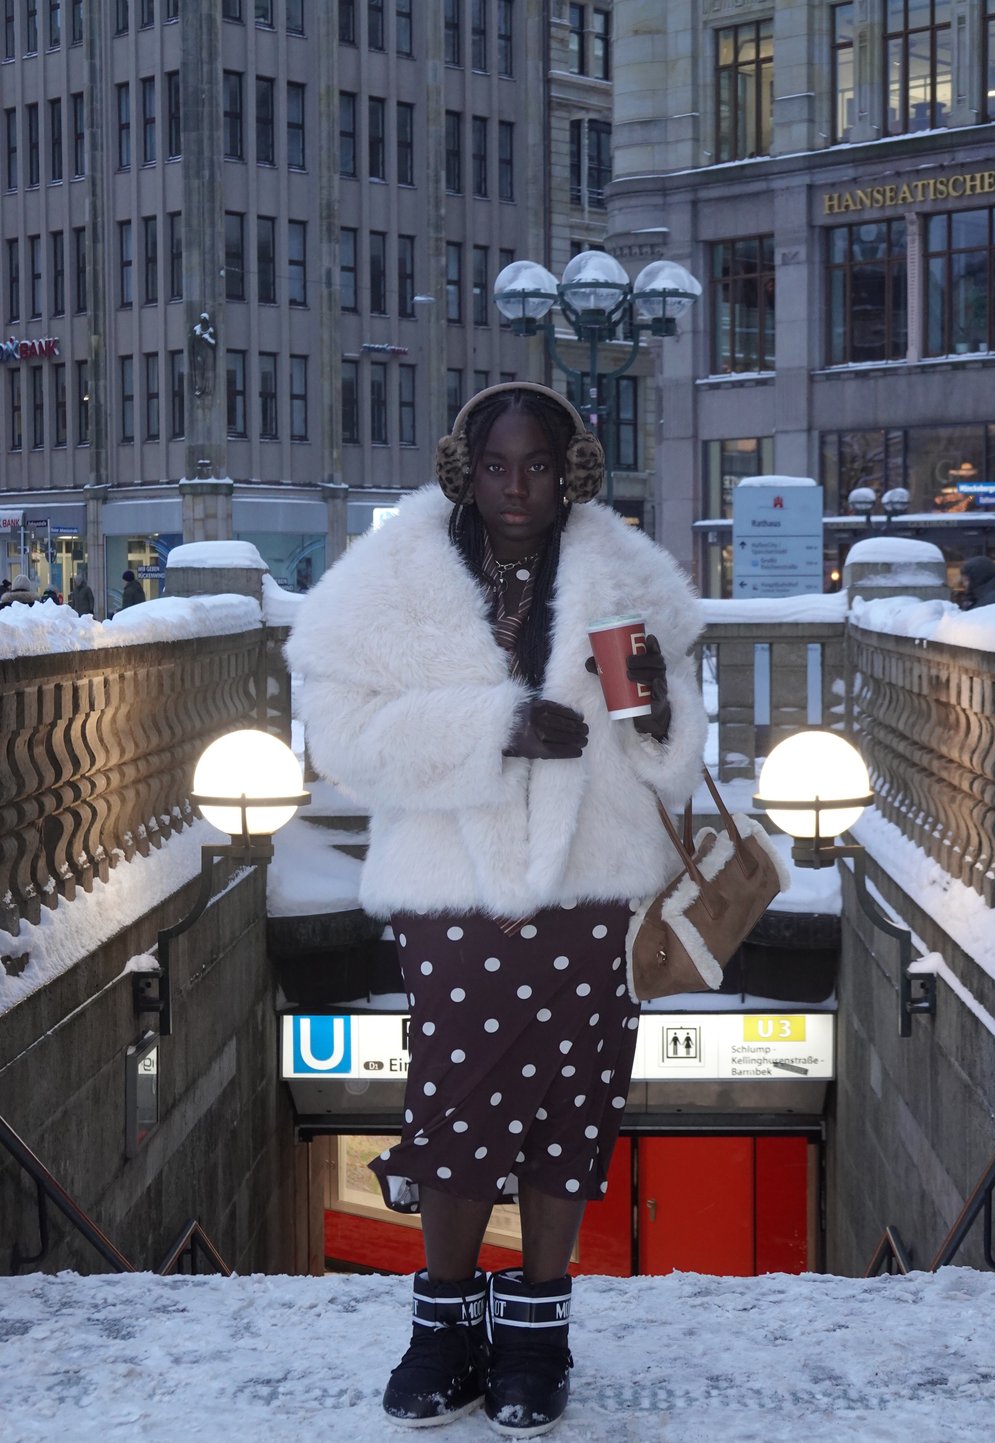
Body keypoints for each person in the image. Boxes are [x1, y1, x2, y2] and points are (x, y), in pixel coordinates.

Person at [287, 382, 707, 1435]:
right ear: (461, 468)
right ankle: (441, 1327)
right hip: (452, 887)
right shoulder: (389, 578)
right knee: (458, 1098)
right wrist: (492, 728)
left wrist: (654, 710)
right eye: (495, 466)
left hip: (593, 883)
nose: (516, 488)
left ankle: (538, 1333)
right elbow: (335, 727)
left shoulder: (626, 573)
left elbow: (675, 757)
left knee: (573, 1100)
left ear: (571, 469)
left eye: (537, 466)